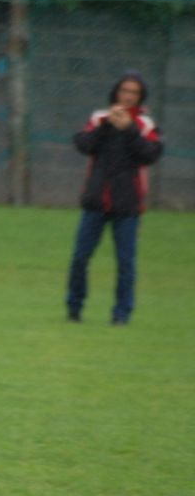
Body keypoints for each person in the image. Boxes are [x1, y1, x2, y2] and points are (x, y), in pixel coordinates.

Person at [67, 70, 164, 325]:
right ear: (116, 93)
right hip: (96, 201)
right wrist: (108, 125)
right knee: (80, 257)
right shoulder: (99, 118)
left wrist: (129, 129)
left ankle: (121, 314)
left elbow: (151, 155)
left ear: (140, 97)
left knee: (125, 263)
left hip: (127, 205)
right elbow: (83, 144)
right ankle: (74, 308)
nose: (128, 96)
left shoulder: (145, 125)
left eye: (134, 92)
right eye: (124, 91)